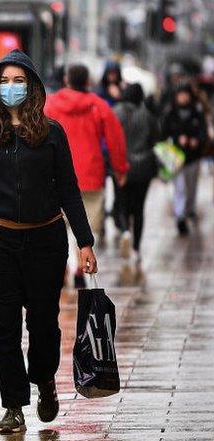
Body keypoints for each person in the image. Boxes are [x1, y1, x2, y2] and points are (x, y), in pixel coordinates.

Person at [0, 49, 98, 435]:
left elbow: (69, 190)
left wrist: (85, 241)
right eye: (4, 81)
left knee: (44, 322)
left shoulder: (52, 132)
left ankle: (44, 379)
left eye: (19, 81)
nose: (11, 88)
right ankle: (13, 404)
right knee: (2, 325)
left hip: (45, 240)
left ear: (32, 87)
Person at [44, 64, 128, 288]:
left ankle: (60, 268)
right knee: (88, 226)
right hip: (91, 175)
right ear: (88, 81)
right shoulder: (98, 106)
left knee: (57, 226)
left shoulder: (50, 104)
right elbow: (115, 140)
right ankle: (81, 266)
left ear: (66, 79)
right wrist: (120, 169)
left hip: (55, 176)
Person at [111, 83, 159, 280]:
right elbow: (156, 138)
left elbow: (110, 139)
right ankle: (138, 248)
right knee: (138, 208)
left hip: (121, 166)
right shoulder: (147, 114)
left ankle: (124, 232)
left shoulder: (116, 113)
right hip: (144, 167)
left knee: (121, 204)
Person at [162, 84, 209, 235]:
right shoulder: (171, 113)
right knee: (180, 188)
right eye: (180, 94)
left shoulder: (197, 112)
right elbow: (163, 133)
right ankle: (180, 217)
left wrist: (196, 140)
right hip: (176, 158)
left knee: (191, 186)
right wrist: (177, 139)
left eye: (185, 94)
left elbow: (203, 132)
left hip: (193, 157)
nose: (183, 97)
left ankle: (190, 209)